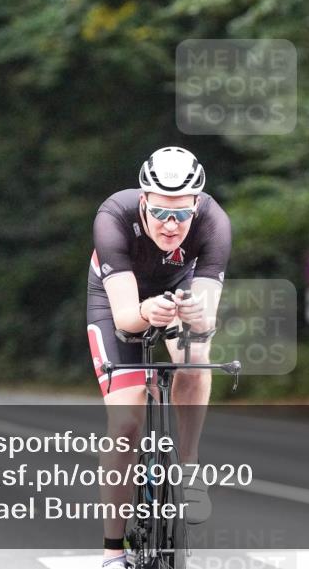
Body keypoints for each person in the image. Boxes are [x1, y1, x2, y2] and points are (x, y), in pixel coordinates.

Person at [87, 146, 231, 567]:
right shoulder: (113, 216)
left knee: (195, 353)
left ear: (197, 207)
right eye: (161, 213)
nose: (171, 226)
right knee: (127, 425)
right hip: (117, 297)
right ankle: (114, 549)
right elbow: (128, 318)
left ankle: (188, 466)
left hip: (179, 287)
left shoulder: (215, 223)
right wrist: (146, 312)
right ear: (143, 201)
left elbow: (204, 319)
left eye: (182, 215)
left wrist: (194, 317)